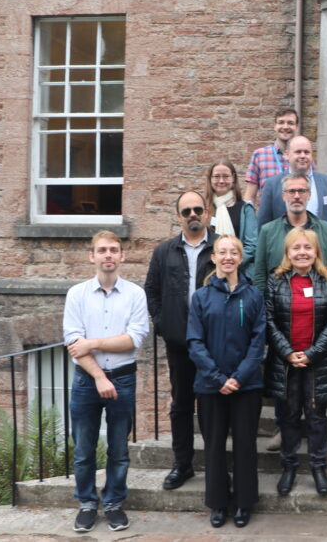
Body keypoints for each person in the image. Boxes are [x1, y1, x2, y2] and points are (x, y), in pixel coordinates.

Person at [64, 231, 149, 534]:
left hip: (123, 380)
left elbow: (133, 339)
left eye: (114, 249)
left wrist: (94, 343)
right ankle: (87, 504)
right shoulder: (77, 294)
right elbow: (74, 344)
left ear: (122, 256)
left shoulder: (135, 294)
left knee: (119, 450)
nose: (108, 255)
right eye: (102, 250)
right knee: (84, 449)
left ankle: (113, 503)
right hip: (87, 382)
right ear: (92, 256)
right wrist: (99, 375)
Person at [253, 172, 327, 452]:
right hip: (280, 316)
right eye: (291, 191)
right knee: (285, 387)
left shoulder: (324, 229)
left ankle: (318, 433)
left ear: (308, 195)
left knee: (316, 391)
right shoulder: (268, 230)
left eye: (302, 191)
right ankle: (284, 429)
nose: (296, 196)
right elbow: (258, 274)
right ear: (283, 196)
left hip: (317, 316)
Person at [186, 236, 265, 529]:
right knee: (214, 445)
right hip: (210, 385)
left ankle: (244, 502)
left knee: (245, 445)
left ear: (241, 258)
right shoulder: (201, 298)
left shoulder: (254, 296)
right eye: (223, 252)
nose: (228, 257)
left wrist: (239, 377)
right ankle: (219, 503)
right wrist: (218, 378)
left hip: (247, 385)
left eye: (234, 252)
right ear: (214, 258)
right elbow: (194, 342)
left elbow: (258, 343)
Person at [145, 191, 218, 491]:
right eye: (186, 210)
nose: (192, 214)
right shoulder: (165, 251)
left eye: (197, 209)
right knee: (182, 405)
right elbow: (152, 291)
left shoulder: (220, 248)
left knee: (213, 407)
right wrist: (163, 325)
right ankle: (182, 464)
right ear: (178, 216)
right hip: (179, 343)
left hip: (213, 343)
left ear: (207, 212)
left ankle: (215, 466)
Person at [265, 228, 327, 497]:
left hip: (317, 362)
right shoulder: (275, 281)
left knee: (317, 418)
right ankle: (289, 467)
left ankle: (319, 468)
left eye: (307, 248)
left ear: (316, 252)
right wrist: (287, 352)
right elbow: (269, 320)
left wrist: (312, 353)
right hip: (285, 363)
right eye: (296, 248)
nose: (302, 252)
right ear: (287, 252)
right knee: (288, 417)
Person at [257, 135, 327, 260]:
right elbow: (263, 226)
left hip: (321, 257)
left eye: (307, 152)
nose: (303, 156)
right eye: (298, 152)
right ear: (287, 155)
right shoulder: (272, 185)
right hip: (283, 258)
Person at [205, 159, 258, 272]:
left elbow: (252, 246)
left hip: (240, 273)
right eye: (217, 176)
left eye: (226, 176)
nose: (221, 180)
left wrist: (230, 263)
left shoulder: (245, 209)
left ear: (233, 178)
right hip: (209, 271)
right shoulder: (204, 209)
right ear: (210, 179)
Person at [244, 107, 300, 206]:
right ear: (275, 126)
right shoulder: (260, 155)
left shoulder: (303, 157)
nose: (285, 126)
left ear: (297, 127)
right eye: (281, 122)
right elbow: (250, 196)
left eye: (290, 123)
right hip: (269, 218)